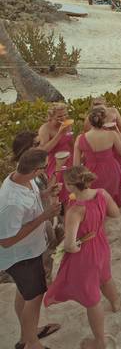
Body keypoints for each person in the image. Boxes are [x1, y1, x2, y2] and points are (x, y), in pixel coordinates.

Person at [43, 165, 120, 349]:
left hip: (86, 251)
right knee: (105, 277)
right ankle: (116, 302)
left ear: (70, 185)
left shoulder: (75, 210)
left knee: (92, 299)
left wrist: (72, 247)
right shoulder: (101, 193)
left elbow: (70, 245)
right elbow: (115, 213)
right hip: (101, 243)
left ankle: (100, 341)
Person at [1, 149, 62, 349]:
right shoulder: (11, 202)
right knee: (34, 298)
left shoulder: (21, 178)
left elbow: (32, 198)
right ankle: (32, 344)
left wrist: (46, 192)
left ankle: (27, 335)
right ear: (36, 170)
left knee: (25, 294)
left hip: (31, 251)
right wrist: (44, 217)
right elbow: (6, 241)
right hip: (21, 257)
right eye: (44, 166)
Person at [74, 107, 121, 208]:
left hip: (91, 173)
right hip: (111, 172)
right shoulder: (112, 134)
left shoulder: (80, 138)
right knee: (108, 199)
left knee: (96, 200)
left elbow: (76, 166)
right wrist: (117, 132)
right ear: (104, 120)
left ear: (90, 121)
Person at [37, 103, 74, 205]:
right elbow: (44, 150)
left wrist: (76, 159)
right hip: (54, 161)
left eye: (65, 115)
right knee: (57, 188)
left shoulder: (67, 124)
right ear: (51, 116)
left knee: (70, 186)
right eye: (59, 116)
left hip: (68, 158)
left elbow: (71, 143)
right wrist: (59, 134)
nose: (63, 118)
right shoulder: (45, 129)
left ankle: (68, 206)